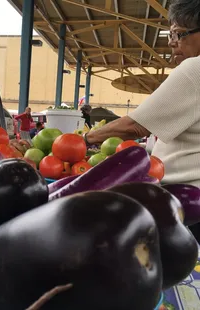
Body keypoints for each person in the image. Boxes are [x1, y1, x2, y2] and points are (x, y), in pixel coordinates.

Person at [83, 0, 200, 240]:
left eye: (178, 34)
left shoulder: (194, 69)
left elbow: (135, 125)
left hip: (187, 200)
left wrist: (86, 138)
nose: (171, 42)